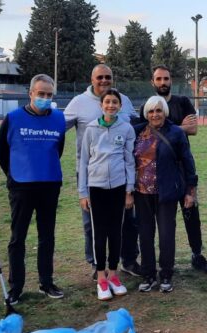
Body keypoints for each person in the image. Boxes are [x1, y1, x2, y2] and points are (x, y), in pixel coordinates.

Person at [65, 64, 141, 278]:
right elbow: (59, 127)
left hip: (119, 178)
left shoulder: (123, 100)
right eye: (100, 77)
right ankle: (96, 265)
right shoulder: (78, 102)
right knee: (92, 224)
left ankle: (127, 260)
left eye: (108, 77)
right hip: (91, 175)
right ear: (92, 79)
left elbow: (136, 125)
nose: (104, 80)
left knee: (126, 222)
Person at [0, 74, 66, 302]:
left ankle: (46, 282)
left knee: (47, 237)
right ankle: (16, 287)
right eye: (41, 94)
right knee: (18, 238)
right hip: (22, 187)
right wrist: (14, 175)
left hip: (49, 184)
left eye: (49, 94)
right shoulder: (13, 118)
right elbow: (1, 152)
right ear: (31, 93)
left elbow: (58, 149)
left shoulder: (58, 119)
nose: (45, 98)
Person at [139, 65, 207, 273]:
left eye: (166, 78)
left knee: (191, 212)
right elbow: (146, 132)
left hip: (182, 168)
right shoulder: (148, 105)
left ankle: (197, 254)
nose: (163, 82)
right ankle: (152, 263)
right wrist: (178, 128)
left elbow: (194, 129)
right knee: (162, 222)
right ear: (152, 82)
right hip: (158, 174)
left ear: (171, 80)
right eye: (158, 79)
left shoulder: (182, 102)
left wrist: (169, 128)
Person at [132, 95, 198, 293]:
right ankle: (148, 274)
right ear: (146, 114)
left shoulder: (176, 132)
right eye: (151, 111)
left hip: (167, 191)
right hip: (142, 192)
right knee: (145, 235)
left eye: (159, 110)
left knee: (166, 235)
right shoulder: (137, 131)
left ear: (165, 112)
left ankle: (166, 274)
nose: (155, 114)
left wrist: (190, 191)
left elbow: (188, 161)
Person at [78, 88, 135, 301]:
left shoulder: (126, 129)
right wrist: (83, 192)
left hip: (119, 188)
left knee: (116, 232)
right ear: (101, 105)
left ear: (120, 106)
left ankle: (113, 274)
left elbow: (129, 161)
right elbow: (83, 161)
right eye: (107, 102)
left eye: (115, 102)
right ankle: (101, 277)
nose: (111, 105)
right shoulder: (91, 129)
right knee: (99, 233)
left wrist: (129, 190)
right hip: (96, 188)